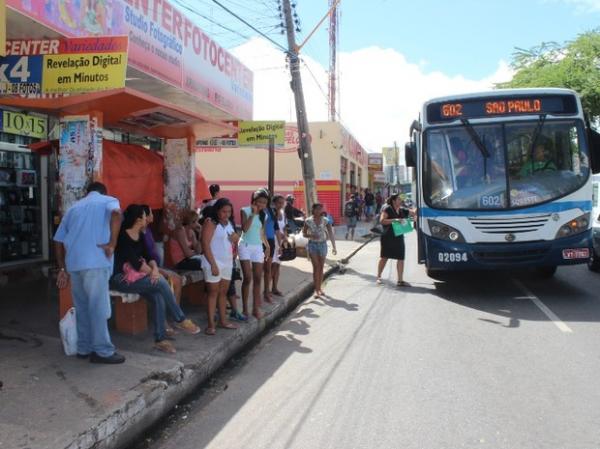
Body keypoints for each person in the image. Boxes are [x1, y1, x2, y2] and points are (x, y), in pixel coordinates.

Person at [110, 205, 201, 354]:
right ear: (138, 219)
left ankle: (160, 340)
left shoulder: (139, 234)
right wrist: (154, 273)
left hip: (139, 277)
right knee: (160, 283)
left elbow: (149, 257)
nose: (147, 219)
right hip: (122, 279)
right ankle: (180, 319)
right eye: (145, 216)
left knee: (158, 294)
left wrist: (155, 270)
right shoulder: (123, 237)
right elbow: (136, 263)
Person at [54, 182, 125, 364]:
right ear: (104, 192)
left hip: (74, 264)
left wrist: (62, 267)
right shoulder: (108, 200)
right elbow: (117, 214)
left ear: (87, 193)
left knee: (83, 308)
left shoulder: (73, 208)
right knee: (98, 308)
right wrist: (112, 243)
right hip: (95, 262)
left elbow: (58, 239)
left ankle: (84, 348)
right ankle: (102, 351)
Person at [200, 198, 240, 335]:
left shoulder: (229, 223)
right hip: (213, 262)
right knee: (212, 293)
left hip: (227, 262)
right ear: (217, 210)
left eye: (229, 211)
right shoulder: (210, 223)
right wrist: (213, 264)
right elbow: (205, 244)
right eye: (224, 211)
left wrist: (235, 242)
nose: (226, 214)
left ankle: (223, 321)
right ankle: (211, 324)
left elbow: (233, 242)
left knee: (223, 293)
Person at [239, 190, 271, 319]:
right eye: (260, 202)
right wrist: (253, 214)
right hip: (245, 246)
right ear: (254, 200)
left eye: (265, 203)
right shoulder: (245, 210)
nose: (262, 205)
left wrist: (267, 246)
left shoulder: (265, 215)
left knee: (258, 278)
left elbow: (262, 233)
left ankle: (255, 309)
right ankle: (245, 308)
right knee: (247, 278)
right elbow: (245, 229)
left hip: (258, 247)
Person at [376, 194, 415, 287]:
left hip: (399, 236)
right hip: (387, 237)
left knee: (401, 257)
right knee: (384, 257)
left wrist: (420, 207)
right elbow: (382, 221)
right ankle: (379, 277)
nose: (401, 201)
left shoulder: (402, 210)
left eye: (401, 199)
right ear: (393, 200)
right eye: (399, 199)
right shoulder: (388, 209)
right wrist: (395, 220)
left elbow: (413, 213)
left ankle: (400, 280)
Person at [303, 203, 337, 298]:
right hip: (312, 245)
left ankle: (320, 288)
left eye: (320, 209)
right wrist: (311, 236)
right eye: (317, 209)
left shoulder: (326, 220)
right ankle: (316, 289)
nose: (319, 211)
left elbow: (331, 233)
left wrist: (334, 247)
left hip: (323, 245)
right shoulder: (308, 221)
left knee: (321, 267)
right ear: (313, 210)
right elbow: (304, 234)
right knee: (316, 267)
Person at [262, 190, 281, 303]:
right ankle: (262, 292)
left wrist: (280, 244)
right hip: (259, 242)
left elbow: (276, 228)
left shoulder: (271, 210)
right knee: (259, 270)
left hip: (270, 241)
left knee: (268, 269)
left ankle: (266, 292)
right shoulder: (257, 211)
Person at [271, 195, 287, 296]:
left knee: (277, 266)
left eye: (282, 202)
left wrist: (285, 236)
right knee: (271, 267)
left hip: (280, 243)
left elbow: (284, 227)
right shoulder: (271, 213)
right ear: (274, 203)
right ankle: (267, 290)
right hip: (272, 242)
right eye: (279, 202)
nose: (281, 204)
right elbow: (269, 228)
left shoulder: (283, 213)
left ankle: (274, 288)